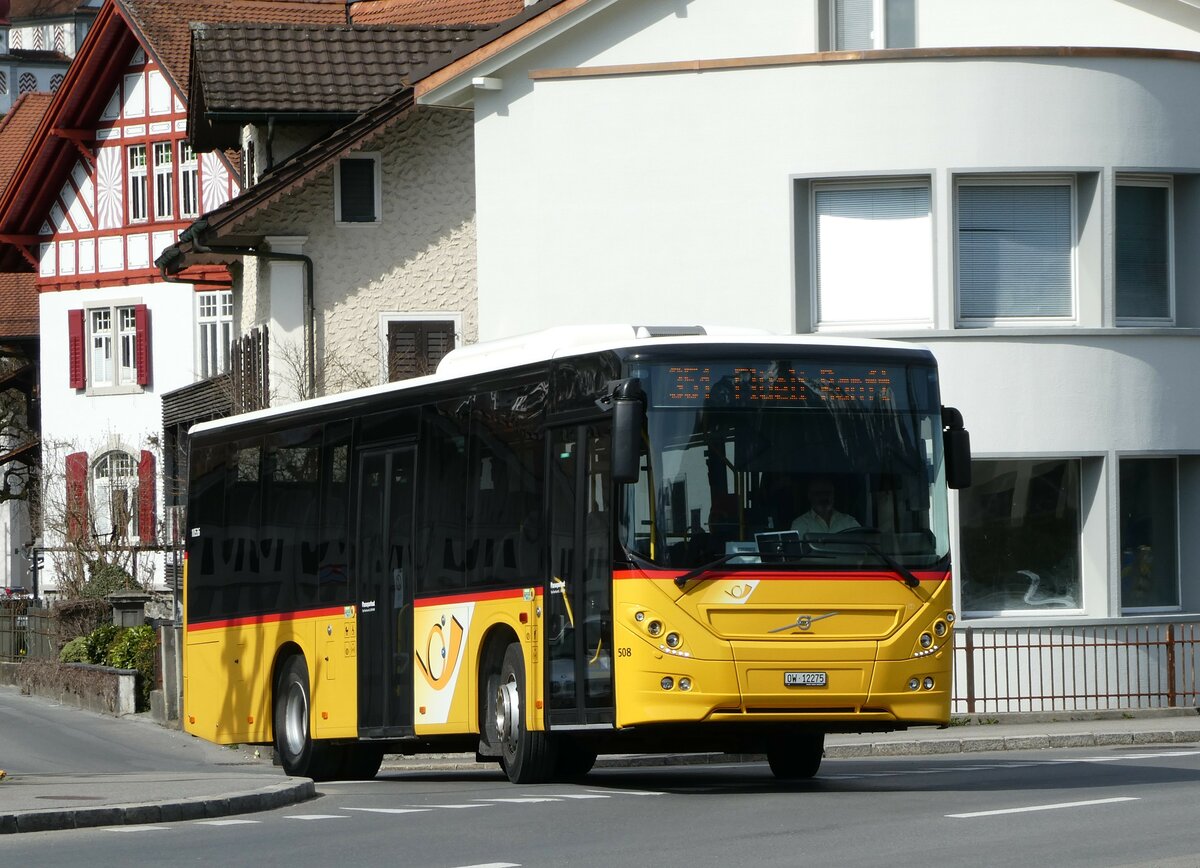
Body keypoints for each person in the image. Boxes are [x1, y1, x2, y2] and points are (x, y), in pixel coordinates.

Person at [791, 477, 859, 537]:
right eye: (818, 493)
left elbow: (862, 548)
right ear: (810, 496)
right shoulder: (799, 524)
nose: (823, 497)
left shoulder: (849, 523)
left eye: (827, 493)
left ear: (833, 495)